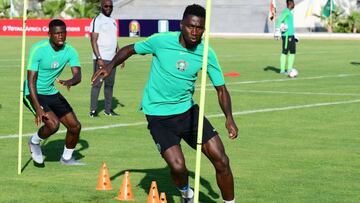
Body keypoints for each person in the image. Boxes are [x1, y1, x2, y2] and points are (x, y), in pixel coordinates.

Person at [92, 4, 238, 203]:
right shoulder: (161, 41)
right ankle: (186, 193)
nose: (195, 32)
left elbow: (221, 89)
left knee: (222, 160)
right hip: (158, 115)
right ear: (181, 25)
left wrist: (229, 118)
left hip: (188, 113)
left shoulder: (206, 53)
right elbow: (130, 49)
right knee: (178, 167)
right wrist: (109, 66)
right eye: (191, 26)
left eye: (200, 28)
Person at [23, 19, 84, 166]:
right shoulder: (38, 49)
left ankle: (66, 159)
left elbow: (78, 75)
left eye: (63, 33)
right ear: (49, 34)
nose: (61, 36)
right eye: (57, 33)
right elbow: (31, 81)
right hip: (32, 93)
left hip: (51, 92)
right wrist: (38, 107)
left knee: (75, 126)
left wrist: (72, 81)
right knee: (53, 125)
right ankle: (34, 142)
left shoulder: (70, 50)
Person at [89, 0, 123, 117]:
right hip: (101, 58)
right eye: (106, 6)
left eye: (110, 6)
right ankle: (93, 111)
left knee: (109, 84)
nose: (108, 8)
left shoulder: (113, 21)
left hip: (113, 59)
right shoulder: (97, 20)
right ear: (102, 7)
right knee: (97, 84)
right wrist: (99, 58)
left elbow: (114, 40)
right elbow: (93, 40)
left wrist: (120, 55)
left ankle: (108, 110)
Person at [275, 0, 296, 74]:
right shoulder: (286, 11)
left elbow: (290, 24)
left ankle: (289, 69)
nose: (294, 4)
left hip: (291, 35)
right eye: (293, 3)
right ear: (290, 3)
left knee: (293, 52)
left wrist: (295, 35)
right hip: (287, 36)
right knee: (285, 52)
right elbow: (279, 20)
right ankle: (282, 70)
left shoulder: (290, 12)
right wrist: (277, 31)